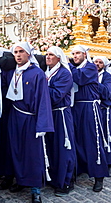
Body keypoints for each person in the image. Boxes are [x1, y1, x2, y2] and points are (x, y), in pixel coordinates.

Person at [4, 42, 54, 203]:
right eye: (15, 52)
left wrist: (42, 124)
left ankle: (35, 189)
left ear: (28, 54)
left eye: (21, 52)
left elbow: (43, 99)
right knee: (16, 150)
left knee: (32, 154)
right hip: (15, 116)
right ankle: (21, 180)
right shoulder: (12, 72)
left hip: (30, 118)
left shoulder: (37, 73)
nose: (18, 55)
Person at [69, 45, 108, 192]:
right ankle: (80, 169)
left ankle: (99, 176)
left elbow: (79, 78)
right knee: (77, 140)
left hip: (89, 108)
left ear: (85, 54)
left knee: (93, 140)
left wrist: (68, 65)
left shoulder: (91, 67)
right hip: (76, 108)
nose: (75, 56)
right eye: (73, 53)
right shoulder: (75, 67)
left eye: (78, 53)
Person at [44, 46, 76, 197]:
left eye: (51, 55)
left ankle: (66, 181)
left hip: (61, 114)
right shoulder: (47, 72)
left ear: (58, 58)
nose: (48, 57)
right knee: (51, 147)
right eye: (46, 54)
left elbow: (56, 95)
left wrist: (41, 86)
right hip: (49, 114)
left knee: (64, 148)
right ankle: (55, 178)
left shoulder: (64, 73)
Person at [93, 56, 111, 176]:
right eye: (96, 62)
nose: (97, 64)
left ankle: (109, 163)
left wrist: (94, 81)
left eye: (100, 62)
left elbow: (107, 92)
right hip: (93, 109)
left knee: (107, 136)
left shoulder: (107, 76)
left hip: (104, 109)